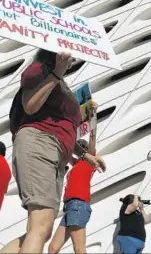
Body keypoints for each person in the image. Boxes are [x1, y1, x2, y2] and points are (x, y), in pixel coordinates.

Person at [0, 50, 106, 254]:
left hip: (55, 153)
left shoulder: (61, 84)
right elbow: (30, 106)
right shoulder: (39, 70)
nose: (73, 56)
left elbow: (64, 127)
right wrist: (56, 72)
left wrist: (84, 155)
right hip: (40, 143)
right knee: (41, 224)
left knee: (41, 229)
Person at [48, 101, 98, 254]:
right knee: (52, 248)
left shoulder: (89, 163)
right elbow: (65, 148)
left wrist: (93, 115)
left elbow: (92, 137)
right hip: (70, 206)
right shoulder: (76, 165)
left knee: (79, 249)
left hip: (78, 204)